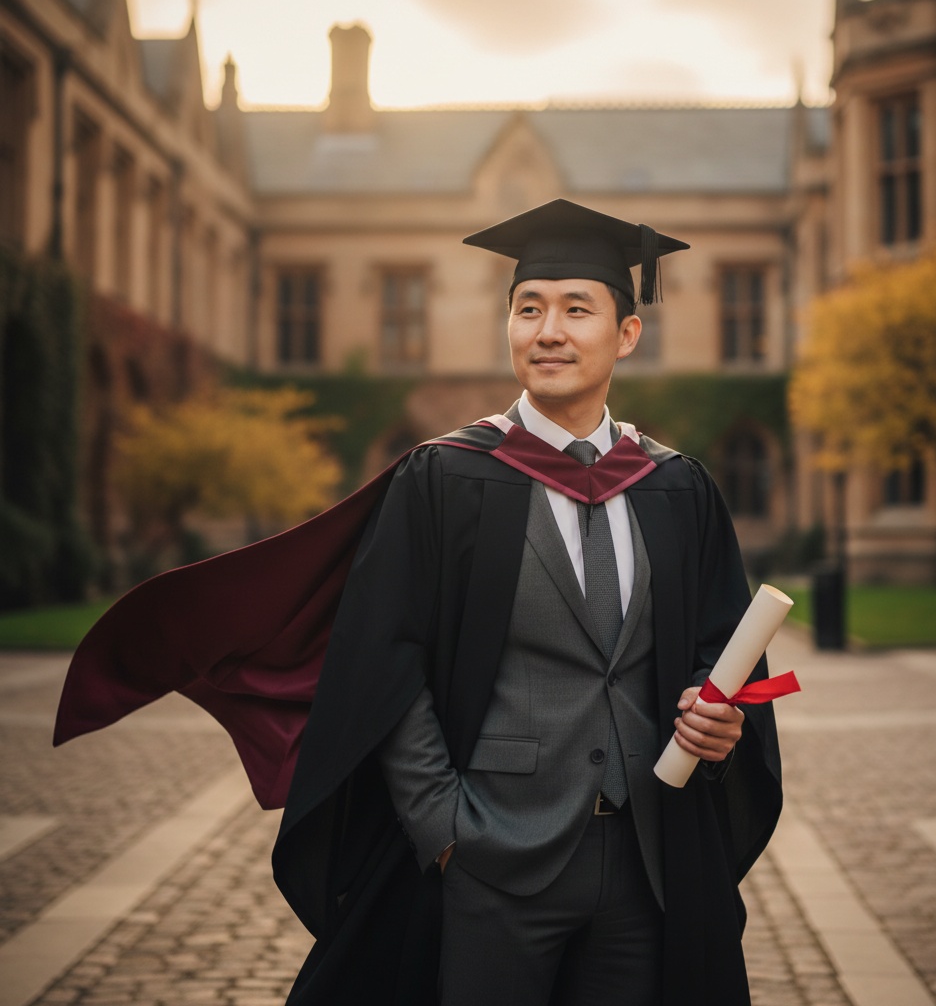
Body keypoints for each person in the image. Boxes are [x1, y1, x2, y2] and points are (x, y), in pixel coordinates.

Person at [271, 200, 784, 1006]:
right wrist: (444, 831)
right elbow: (386, 664)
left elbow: (720, 658)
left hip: (650, 861)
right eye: (528, 309)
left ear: (626, 334)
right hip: (493, 860)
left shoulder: (675, 488)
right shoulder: (446, 478)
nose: (548, 331)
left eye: (577, 309)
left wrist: (726, 723)